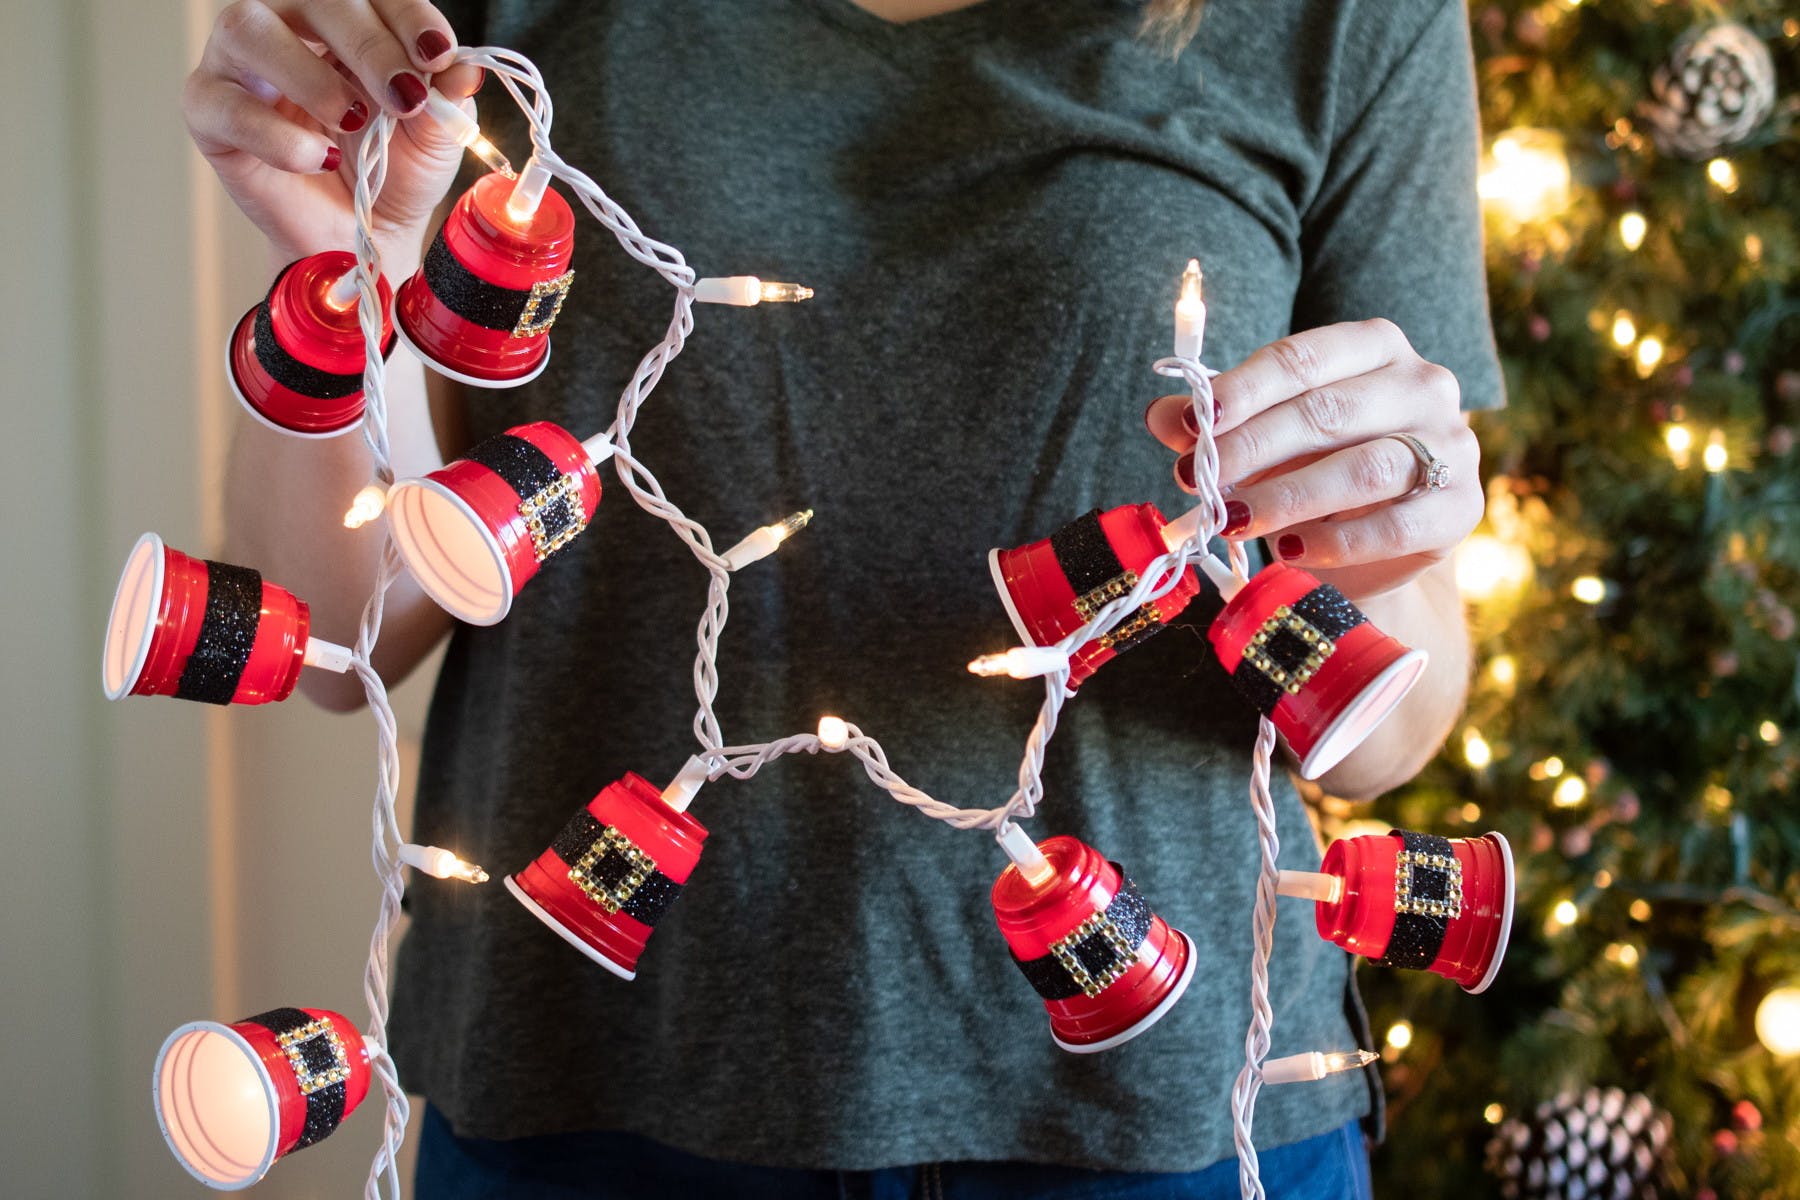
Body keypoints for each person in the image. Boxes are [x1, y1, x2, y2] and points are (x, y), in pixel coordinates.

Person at [184, 0, 1499, 1195]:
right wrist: (334, 260)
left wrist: (1385, 533)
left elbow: (1396, 724)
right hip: (591, 1089)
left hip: (1161, 1123)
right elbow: (326, 637)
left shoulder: (1346, 20)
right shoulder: (486, 24)